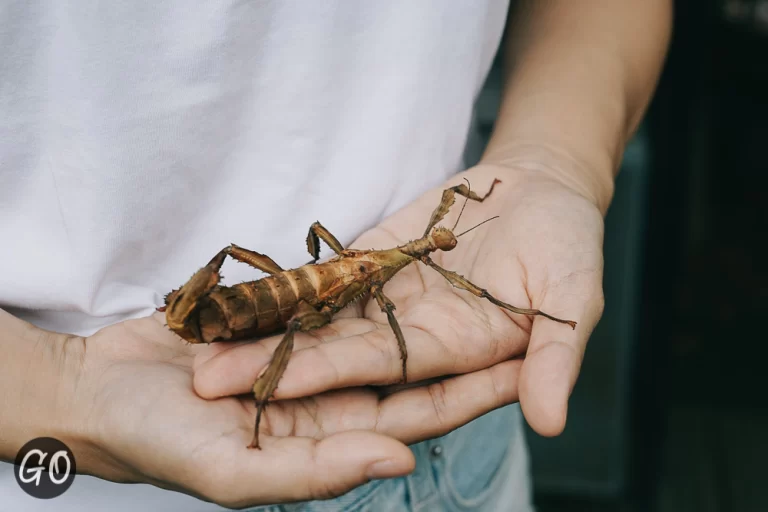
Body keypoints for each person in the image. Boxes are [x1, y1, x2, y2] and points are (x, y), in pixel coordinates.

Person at [0, 1, 671, 510]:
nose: (440, 245)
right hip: (66, 474)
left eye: (439, 241)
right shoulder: (396, 273)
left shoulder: (405, 259)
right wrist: (61, 383)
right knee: (292, 316)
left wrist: (552, 161)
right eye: (439, 242)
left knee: (292, 304)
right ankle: (251, 384)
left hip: (460, 462)